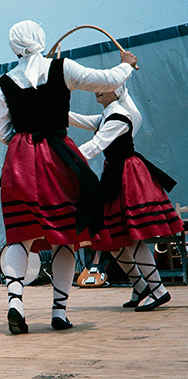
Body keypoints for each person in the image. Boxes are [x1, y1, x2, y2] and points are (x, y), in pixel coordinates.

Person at [0, 20, 138, 334]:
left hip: (20, 159)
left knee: (21, 234)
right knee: (66, 236)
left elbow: (2, 133)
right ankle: (59, 312)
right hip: (58, 157)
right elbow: (107, 78)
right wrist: (126, 65)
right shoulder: (63, 68)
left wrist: (25, 135)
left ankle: (15, 302)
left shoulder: (4, 82)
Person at [69, 85, 181, 311]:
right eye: (98, 88)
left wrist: (66, 159)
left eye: (104, 87)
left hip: (129, 179)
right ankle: (141, 285)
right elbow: (77, 119)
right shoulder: (107, 115)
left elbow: (96, 145)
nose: (97, 91)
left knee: (133, 236)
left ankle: (159, 290)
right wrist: (49, 103)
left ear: (117, 91)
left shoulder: (118, 117)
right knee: (112, 237)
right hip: (115, 177)